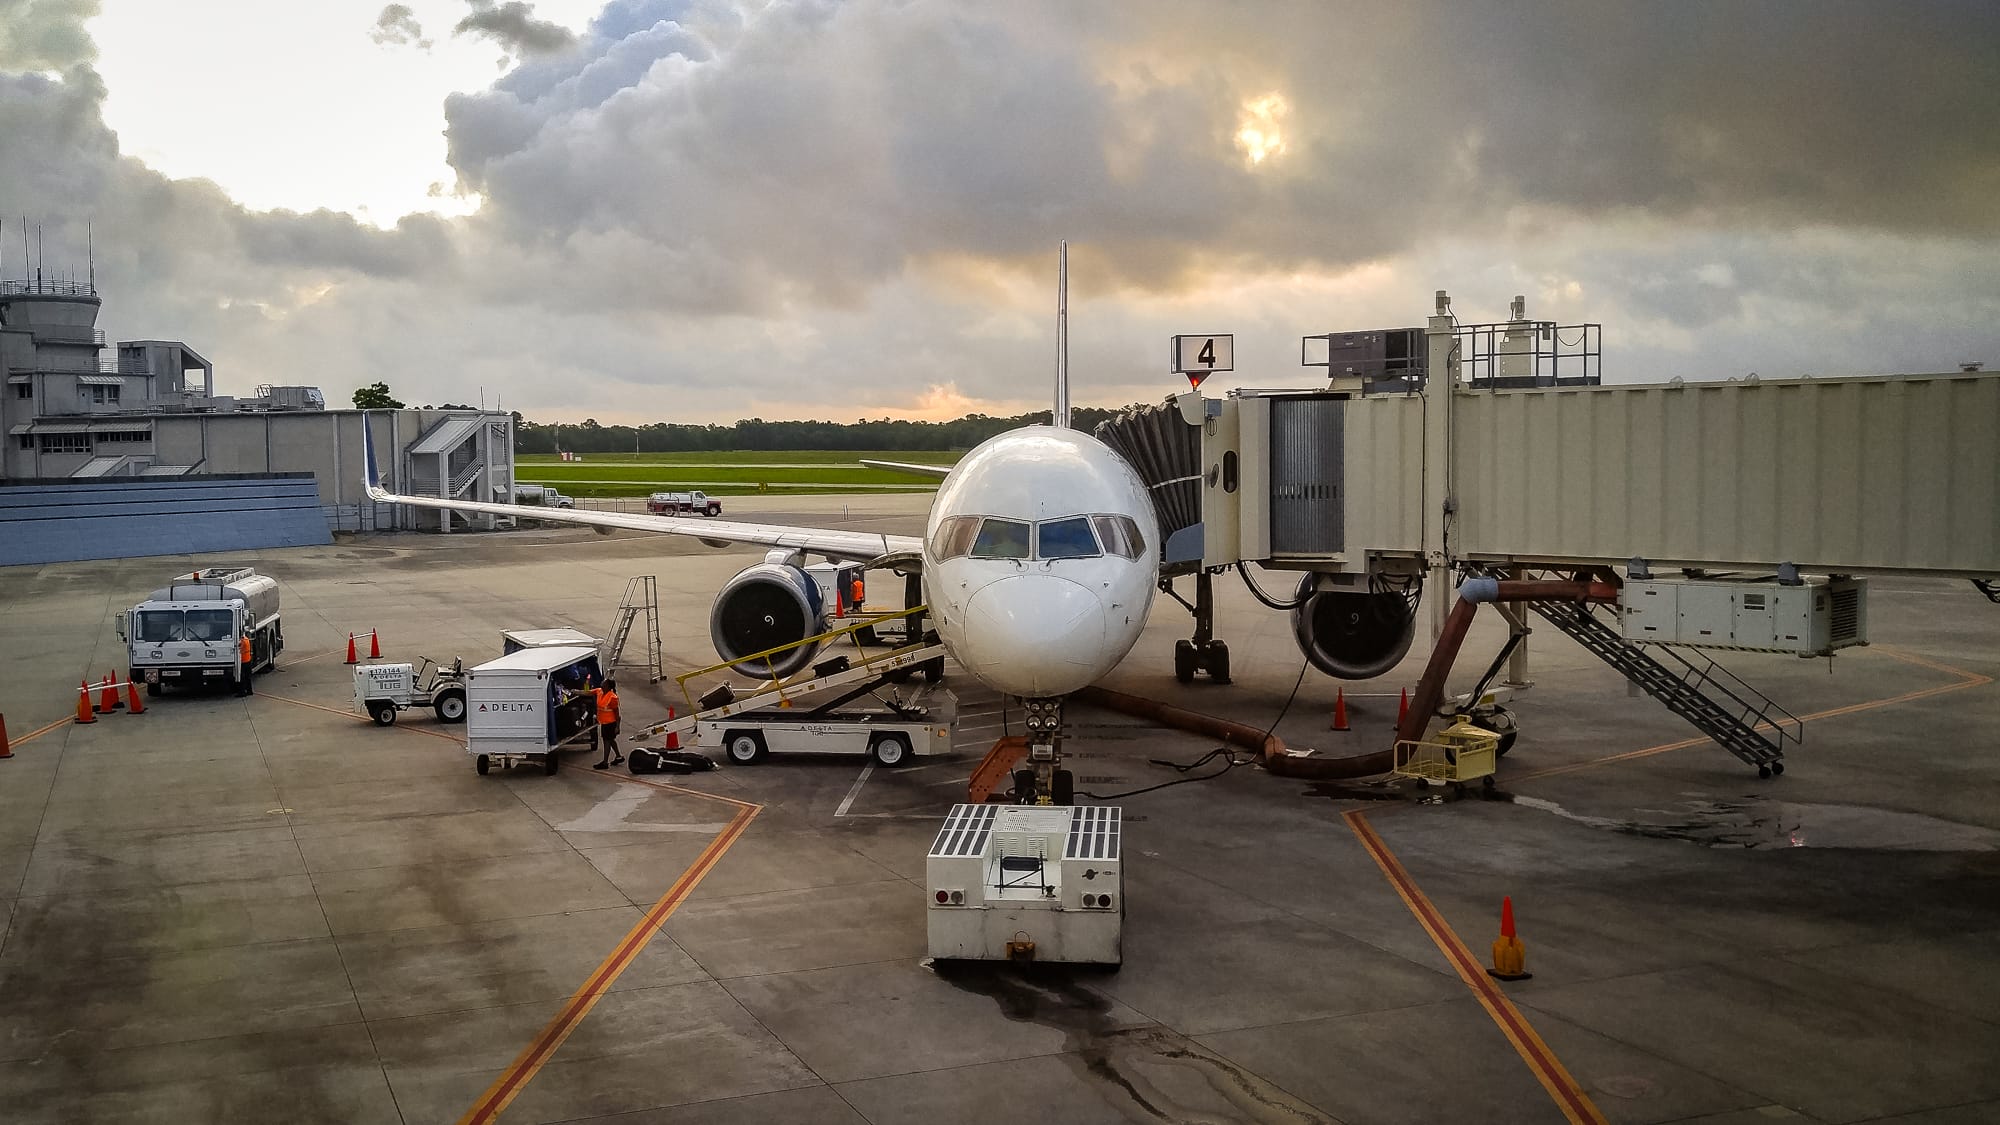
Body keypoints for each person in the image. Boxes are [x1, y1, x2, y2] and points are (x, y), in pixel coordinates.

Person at [592, 676, 622, 769]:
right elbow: (588, 692)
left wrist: (617, 726)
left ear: (608, 686)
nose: (602, 683)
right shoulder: (600, 691)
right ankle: (619, 756)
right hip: (604, 722)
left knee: (606, 741)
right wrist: (575, 691)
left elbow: (617, 714)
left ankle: (605, 762)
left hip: (610, 723)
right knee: (611, 740)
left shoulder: (612, 697)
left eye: (604, 683)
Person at [236, 632, 254, 697]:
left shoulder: (243, 641)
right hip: (248, 660)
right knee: (247, 677)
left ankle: (242, 692)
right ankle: (249, 691)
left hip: (243, 662)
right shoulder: (246, 639)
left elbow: (239, 649)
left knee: (242, 678)